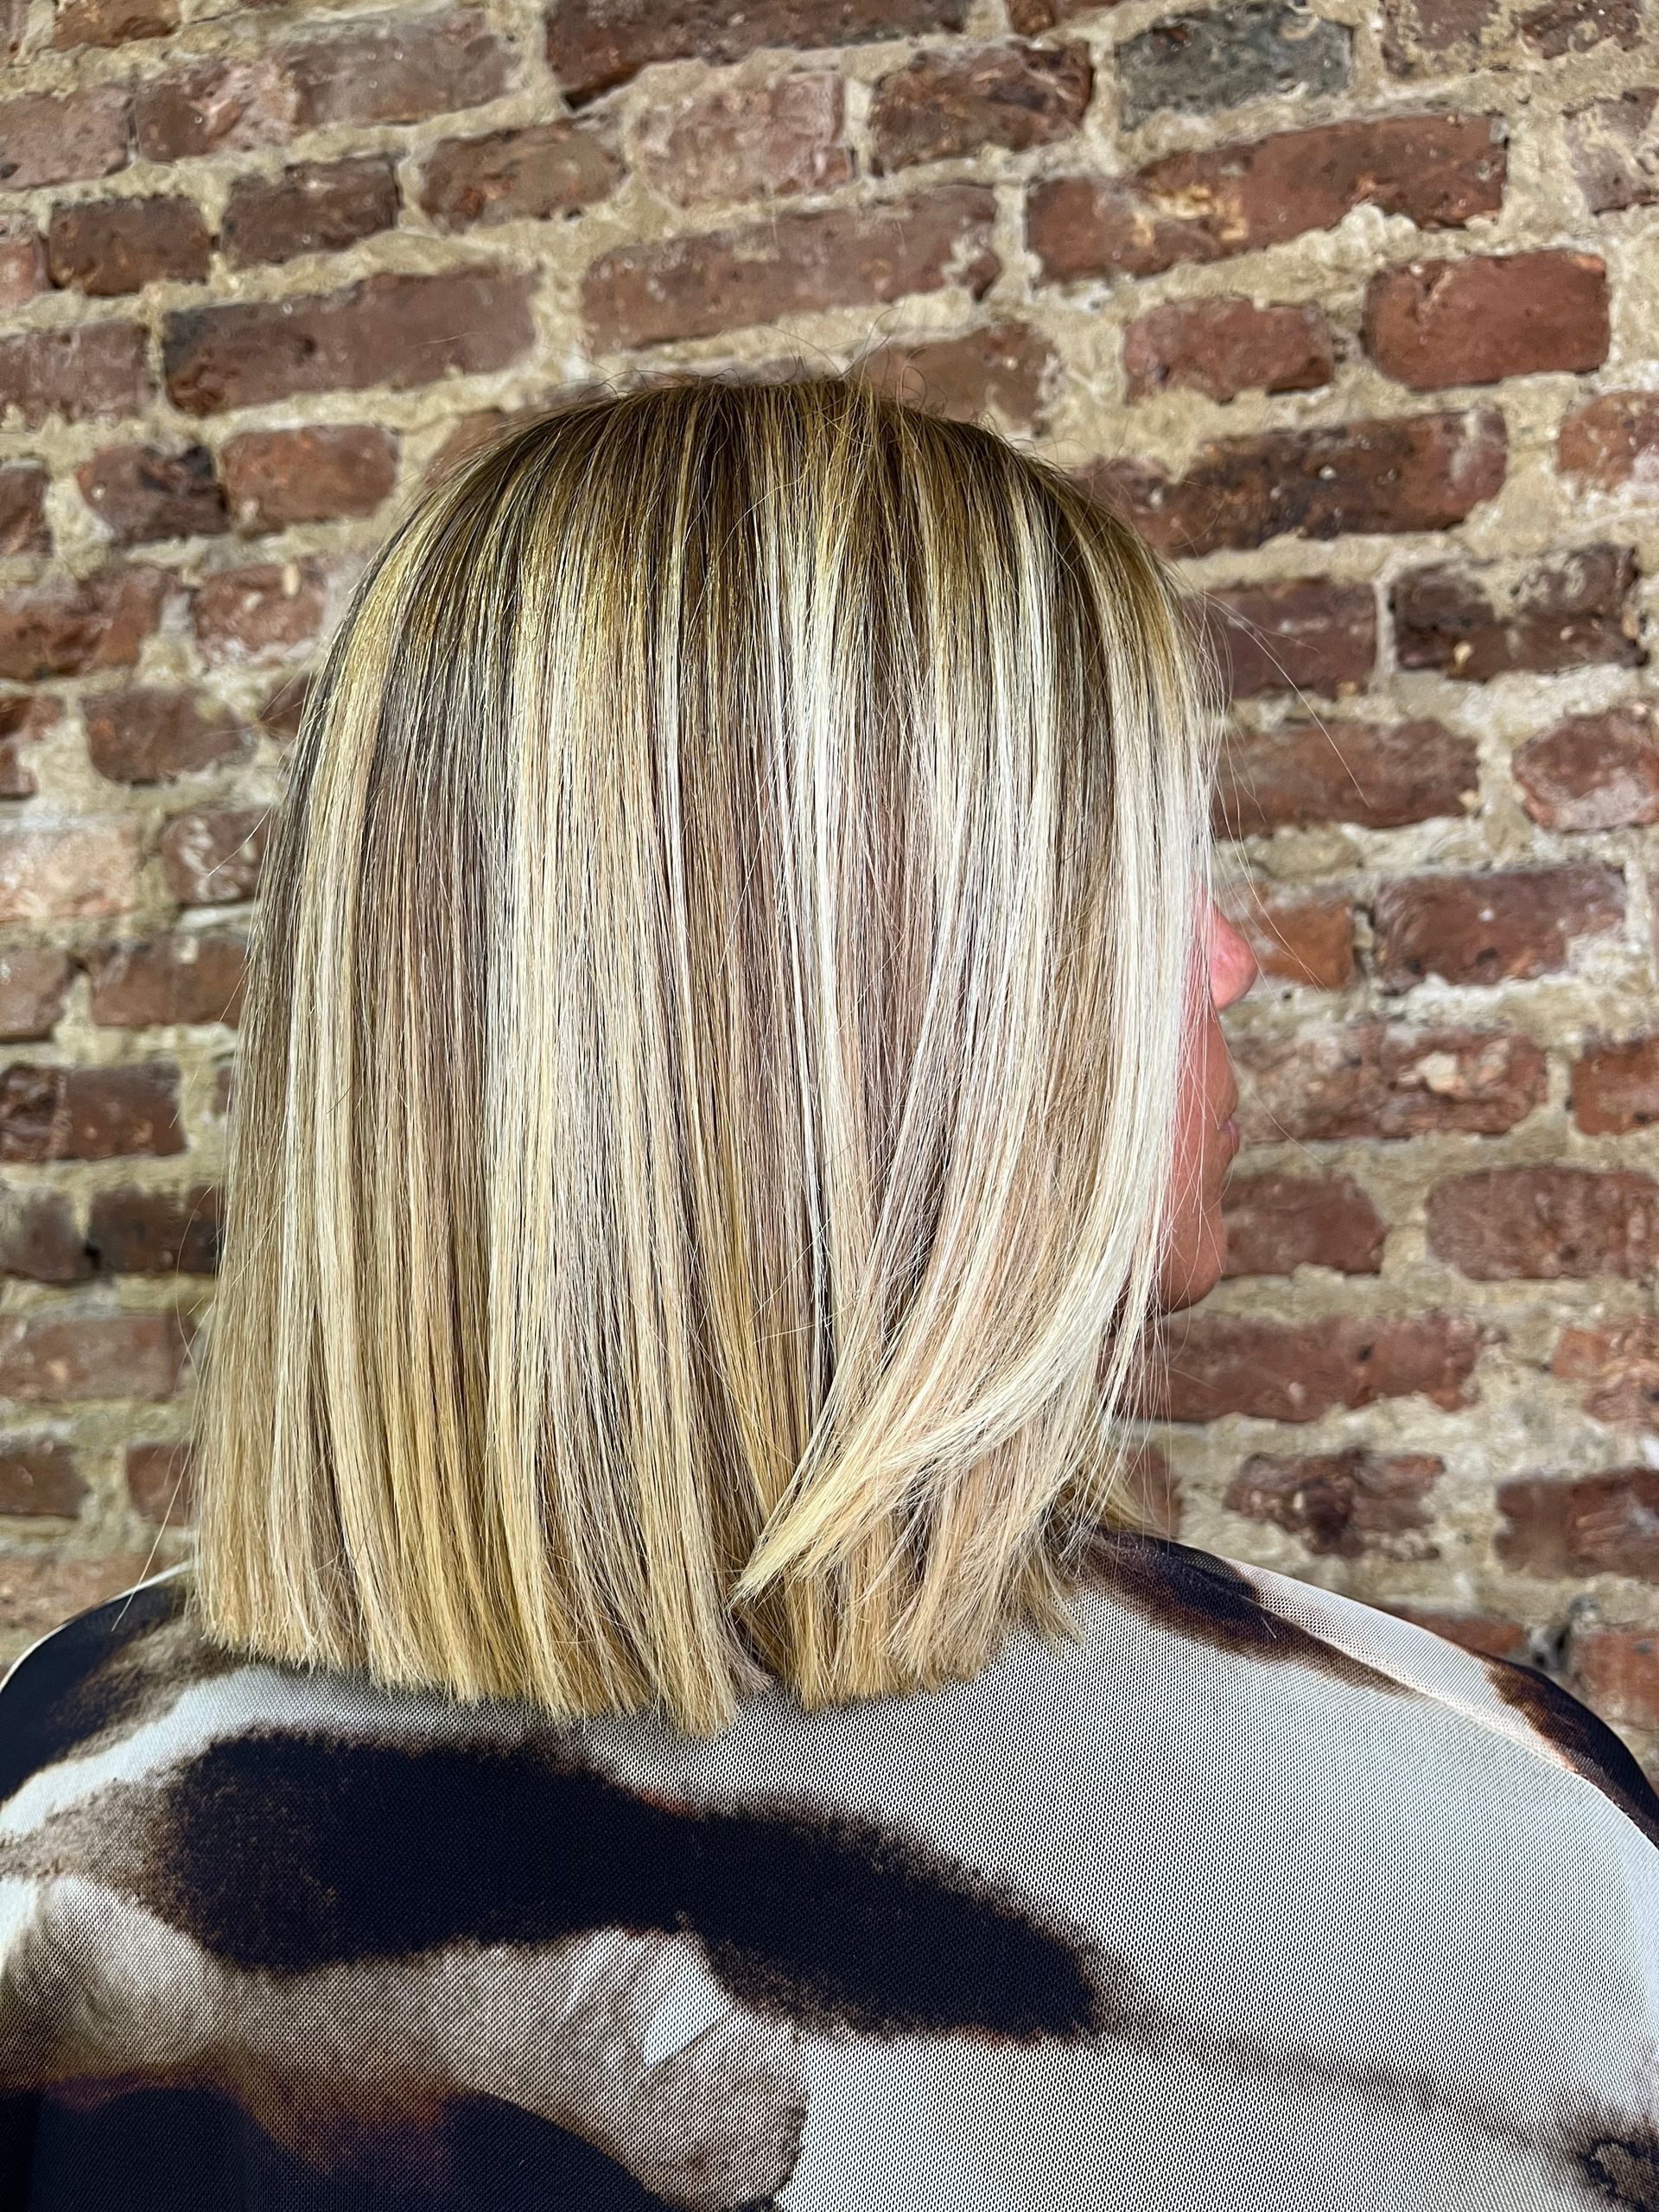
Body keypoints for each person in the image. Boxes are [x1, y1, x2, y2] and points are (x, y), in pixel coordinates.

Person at [0, 371, 1652, 2212]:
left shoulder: (64, 1806)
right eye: (1143, 874)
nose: (1230, 959)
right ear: (890, 1003)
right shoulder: (1507, 1881)